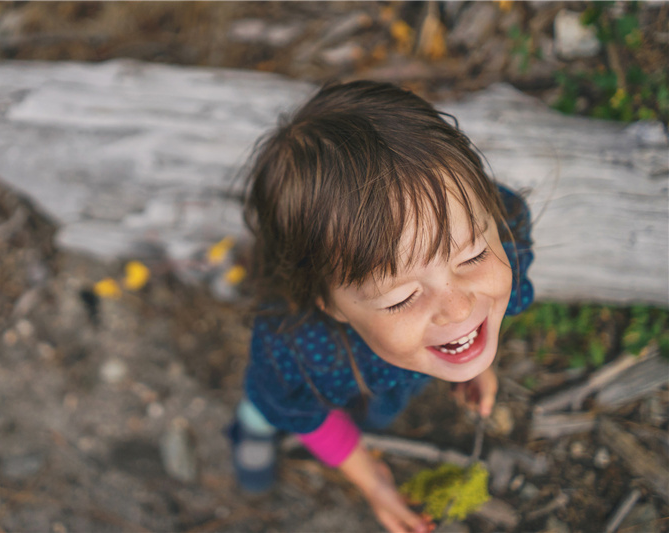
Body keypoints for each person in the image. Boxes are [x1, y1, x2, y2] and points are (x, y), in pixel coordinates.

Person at [228, 80, 534, 533]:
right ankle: (249, 430)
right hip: (308, 388)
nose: (457, 307)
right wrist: (371, 480)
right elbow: (301, 410)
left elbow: (482, 303)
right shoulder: (297, 350)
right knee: (270, 404)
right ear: (328, 303)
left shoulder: (505, 222)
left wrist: (475, 359)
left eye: (472, 255)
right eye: (401, 297)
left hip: (382, 380)